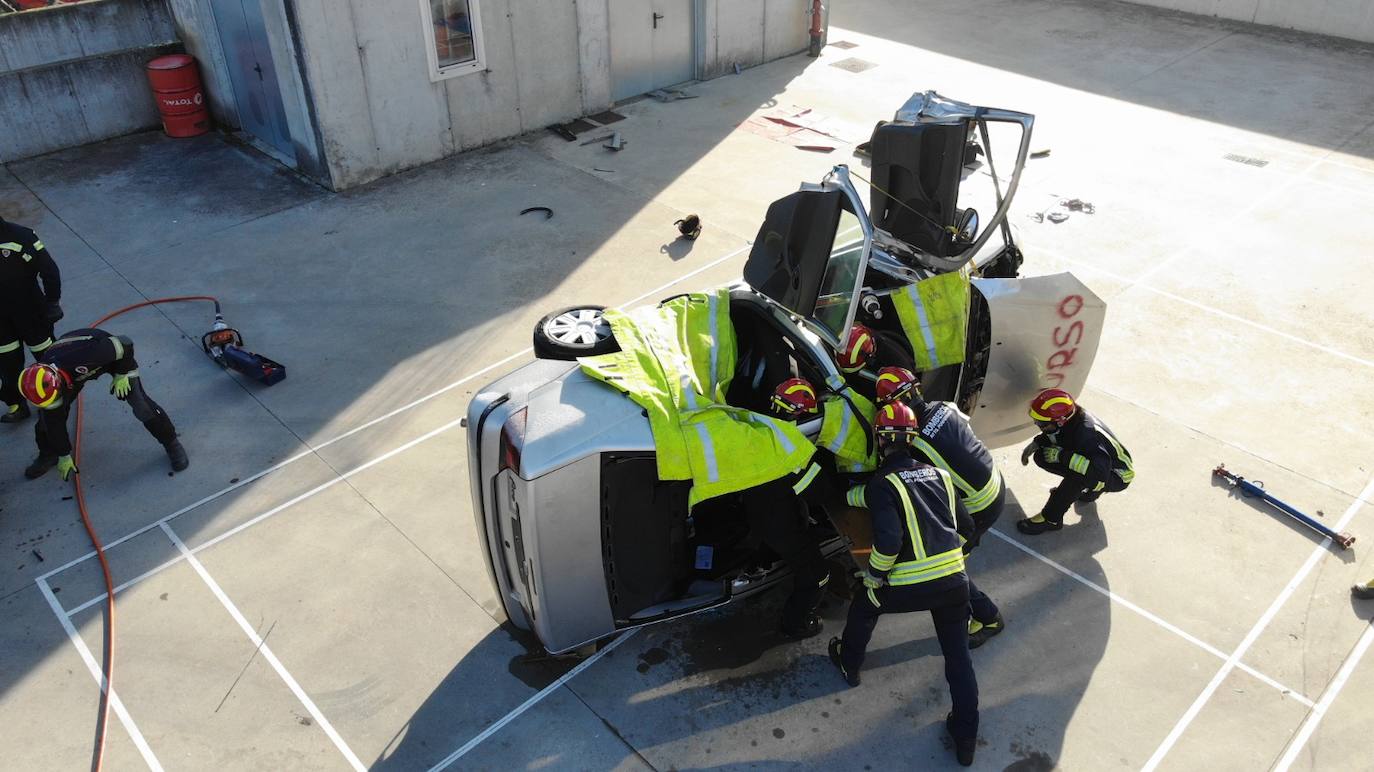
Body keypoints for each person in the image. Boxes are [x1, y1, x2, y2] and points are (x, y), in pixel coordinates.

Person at [828, 402, 980, 766]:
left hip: (907, 587)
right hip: (953, 585)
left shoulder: (883, 484)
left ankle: (849, 664)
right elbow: (967, 529)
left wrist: (874, 576)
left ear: (880, 440)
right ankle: (966, 738)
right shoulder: (940, 476)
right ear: (911, 439)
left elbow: (889, 543)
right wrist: (946, 562)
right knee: (958, 659)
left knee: (864, 605)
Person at [875, 366, 1004, 648]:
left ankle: (988, 618)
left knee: (947, 569)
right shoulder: (943, 407)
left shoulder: (916, 445)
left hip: (977, 508)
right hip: (995, 484)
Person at [19, 328, 188, 480]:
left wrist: (121, 373)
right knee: (47, 420)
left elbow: (125, 343)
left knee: (141, 405)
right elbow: (54, 422)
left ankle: (171, 443)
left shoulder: (88, 354)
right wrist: (64, 453)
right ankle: (49, 454)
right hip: (72, 374)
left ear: (58, 382)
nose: (54, 401)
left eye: (55, 397)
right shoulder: (42, 383)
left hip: (113, 360)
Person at [737, 377, 832, 640]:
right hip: (781, 524)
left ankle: (761, 563)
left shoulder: (754, 426)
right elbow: (819, 494)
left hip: (754, 513)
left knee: (772, 545)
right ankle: (797, 623)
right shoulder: (792, 447)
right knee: (817, 575)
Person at [1016, 388, 1134, 535]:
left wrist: (1061, 456)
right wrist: (1039, 442)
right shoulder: (1072, 420)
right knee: (1042, 456)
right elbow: (1063, 436)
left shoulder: (1087, 434)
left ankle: (1050, 519)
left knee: (1076, 478)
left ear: (1060, 421)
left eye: (1042, 423)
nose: (1038, 425)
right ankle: (1090, 491)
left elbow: (1100, 471)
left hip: (1117, 475)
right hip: (1101, 466)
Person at [0, 215, 63, 424]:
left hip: (30, 311)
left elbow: (49, 270)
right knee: (7, 362)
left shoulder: (21, 236)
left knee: (46, 356)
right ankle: (17, 405)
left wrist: (52, 301)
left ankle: (56, 397)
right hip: (4, 320)